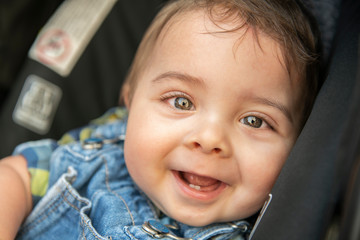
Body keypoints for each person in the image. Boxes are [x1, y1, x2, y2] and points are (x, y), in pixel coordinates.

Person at [0, 0, 321, 239]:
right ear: (130, 104)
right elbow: (17, 175)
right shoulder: (94, 160)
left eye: (254, 121)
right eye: (182, 102)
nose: (210, 139)